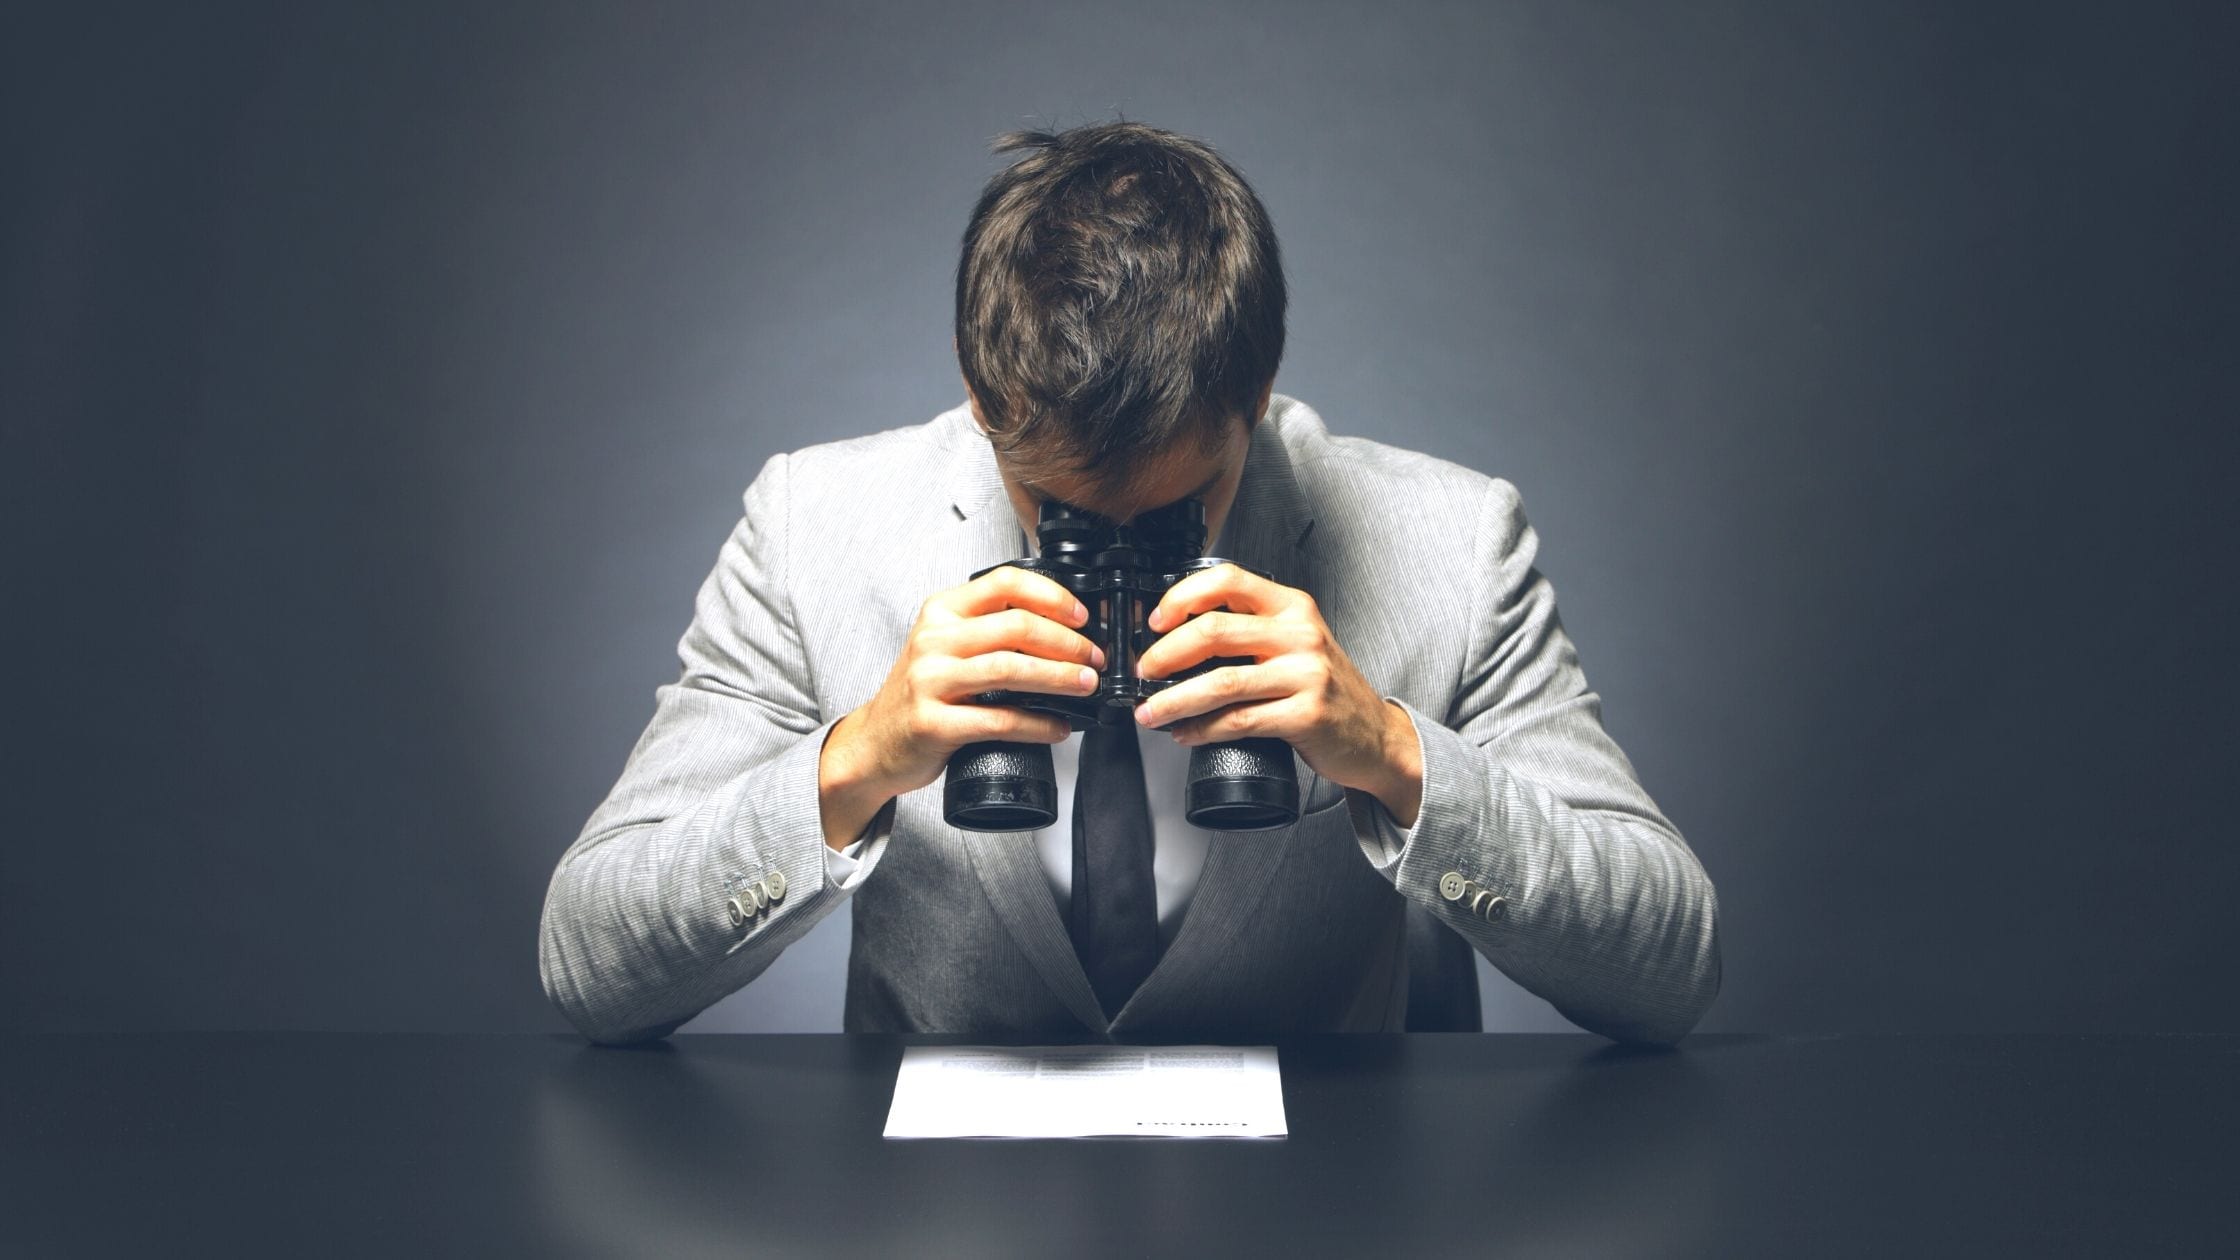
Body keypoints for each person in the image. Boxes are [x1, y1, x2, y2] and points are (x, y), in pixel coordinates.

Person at [537, 121, 1721, 1047]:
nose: (1107, 560)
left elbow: (1669, 967)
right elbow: (588, 962)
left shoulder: (1448, 545)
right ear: (975, 387)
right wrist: (855, 761)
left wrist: (1394, 755)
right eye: (1046, 509)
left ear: (1254, 395)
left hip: (1322, 1206)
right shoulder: (815, 527)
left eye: (1166, 513)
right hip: (934, 1213)